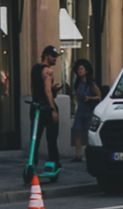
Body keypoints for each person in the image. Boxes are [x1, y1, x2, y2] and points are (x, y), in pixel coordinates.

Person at [30, 45, 62, 174]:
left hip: (36, 106)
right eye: (53, 56)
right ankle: (53, 161)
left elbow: (34, 87)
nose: (55, 59)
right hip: (46, 108)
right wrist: (53, 109)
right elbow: (47, 91)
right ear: (47, 56)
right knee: (51, 137)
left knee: (35, 137)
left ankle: (32, 163)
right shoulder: (47, 71)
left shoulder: (35, 69)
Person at [69, 58, 98, 161]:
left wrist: (90, 98)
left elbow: (99, 97)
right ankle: (78, 155)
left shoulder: (91, 84)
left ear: (86, 71)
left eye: (81, 69)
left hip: (88, 110)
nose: (79, 71)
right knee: (77, 132)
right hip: (80, 110)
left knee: (88, 133)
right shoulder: (77, 83)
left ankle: (90, 154)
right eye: (78, 69)